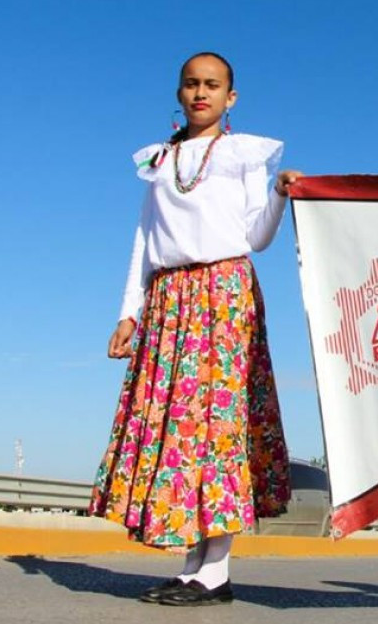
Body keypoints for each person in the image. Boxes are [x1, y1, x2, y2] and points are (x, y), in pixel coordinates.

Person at [88, 52, 300, 607]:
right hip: (170, 296)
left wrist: (279, 194)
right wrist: (128, 311)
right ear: (179, 92)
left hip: (224, 293)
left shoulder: (243, 155)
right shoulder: (160, 159)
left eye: (212, 85)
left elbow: (256, 237)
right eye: (191, 83)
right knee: (182, 433)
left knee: (219, 427)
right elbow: (144, 238)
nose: (200, 92)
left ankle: (217, 570)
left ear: (231, 97)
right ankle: (193, 567)